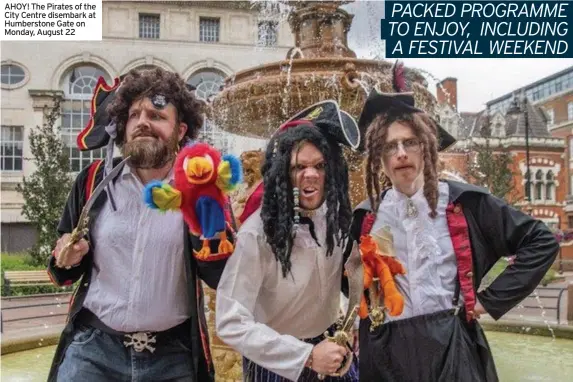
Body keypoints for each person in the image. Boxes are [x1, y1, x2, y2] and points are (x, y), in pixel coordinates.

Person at [350, 66, 560, 381]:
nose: (401, 153)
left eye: (410, 142)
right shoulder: (365, 216)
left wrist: (488, 300)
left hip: (449, 340)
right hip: (387, 350)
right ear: (379, 157)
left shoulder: (464, 203)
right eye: (390, 146)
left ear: (427, 147)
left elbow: (541, 242)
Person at [46, 67, 233, 382]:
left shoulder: (202, 188)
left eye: (157, 116)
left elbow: (222, 277)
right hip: (94, 352)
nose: (143, 121)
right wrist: (64, 258)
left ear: (180, 129)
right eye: (134, 115)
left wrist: (210, 232)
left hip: (172, 357)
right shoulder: (93, 181)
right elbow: (61, 271)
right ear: (124, 125)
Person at [215, 100, 361, 381]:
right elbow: (230, 320)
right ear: (284, 172)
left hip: (332, 352)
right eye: (299, 167)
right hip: (278, 365)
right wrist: (305, 356)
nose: (311, 174)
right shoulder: (257, 233)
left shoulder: (337, 217)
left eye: (320, 165)